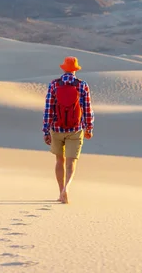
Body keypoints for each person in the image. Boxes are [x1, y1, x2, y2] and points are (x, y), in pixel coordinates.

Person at [43, 56, 94, 204]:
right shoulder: (82, 85)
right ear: (75, 70)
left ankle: (61, 193)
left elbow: (48, 109)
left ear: (63, 68)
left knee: (60, 160)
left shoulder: (54, 85)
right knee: (71, 162)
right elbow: (87, 108)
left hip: (57, 128)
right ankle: (67, 186)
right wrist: (89, 127)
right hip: (75, 129)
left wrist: (46, 131)